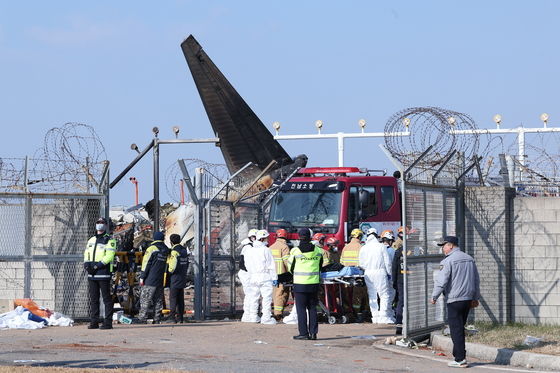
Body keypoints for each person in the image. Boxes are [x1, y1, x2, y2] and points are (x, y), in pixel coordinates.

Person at [431, 236, 480, 368]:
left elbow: (441, 282)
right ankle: (458, 354)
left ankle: (460, 359)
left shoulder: (448, 261)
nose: (443, 249)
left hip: (454, 299)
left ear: (451, 245)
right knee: (459, 327)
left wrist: (434, 296)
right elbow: (476, 279)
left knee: (456, 330)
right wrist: (475, 297)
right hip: (468, 299)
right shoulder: (469, 259)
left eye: (444, 246)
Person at [288, 228, 323, 340]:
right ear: (310, 237)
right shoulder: (318, 250)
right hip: (314, 283)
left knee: (301, 309)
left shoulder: (295, 251)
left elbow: (290, 267)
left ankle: (303, 333)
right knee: (312, 308)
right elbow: (320, 265)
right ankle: (313, 333)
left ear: (299, 237)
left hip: (300, 284)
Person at [83, 217, 117, 329]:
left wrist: (98, 266)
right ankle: (94, 322)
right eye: (98, 222)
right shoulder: (91, 240)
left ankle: (107, 323)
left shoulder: (110, 240)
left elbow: (109, 256)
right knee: (94, 299)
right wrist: (87, 265)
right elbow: (86, 253)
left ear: (106, 225)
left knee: (106, 299)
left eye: (102, 222)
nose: (100, 224)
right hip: (92, 275)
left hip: (103, 273)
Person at [359, 227, 395, 324]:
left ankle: (375, 317)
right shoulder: (381, 247)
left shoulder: (363, 248)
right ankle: (383, 317)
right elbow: (387, 262)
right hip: (380, 272)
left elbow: (361, 264)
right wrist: (389, 274)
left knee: (372, 295)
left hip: (368, 273)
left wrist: (368, 268)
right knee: (384, 295)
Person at [244, 229, 277, 324]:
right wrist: (274, 278)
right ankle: (266, 318)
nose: (267, 240)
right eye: (266, 238)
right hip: (264, 277)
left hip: (253, 277)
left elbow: (247, 265)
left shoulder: (250, 251)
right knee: (266, 298)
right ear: (262, 239)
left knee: (254, 297)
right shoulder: (266, 250)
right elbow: (271, 265)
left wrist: (251, 275)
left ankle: (253, 317)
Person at [137, 231, 170, 324]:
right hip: (160, 278)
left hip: (150, 278)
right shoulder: (166, 249)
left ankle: (142, 318)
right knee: (158, 299)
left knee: (145, 299)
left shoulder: (152, 248)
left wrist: (142, 276)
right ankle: (157, 318)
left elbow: (146, 263)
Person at [340, 229, 367, 317]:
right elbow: (363, 263)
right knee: (358, 295)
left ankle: (349, 311)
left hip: (346, 275)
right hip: (358, 275)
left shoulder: (345, 247)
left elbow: (341, 261)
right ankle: (358, 313)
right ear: (359, 236)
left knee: (347, 294)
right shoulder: (361, 247)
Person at [166, 234, 189, 323]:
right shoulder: (184, 250)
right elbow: (186, 263)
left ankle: (172, 317)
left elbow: (172, 266)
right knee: (180, 298)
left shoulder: (174, 251)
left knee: (173, 298)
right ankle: (180, 318)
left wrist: (168, 272)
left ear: (171, 242)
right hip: (182, 276)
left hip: (175, 277)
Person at [269, 229, 292, 320]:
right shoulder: (284, 247)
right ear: (285, 236)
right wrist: (292, 272)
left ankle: (277, 312)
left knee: (276, 293)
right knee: (282, 294)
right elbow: (287, 262)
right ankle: (278, 314)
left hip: (273, 274)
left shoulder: (271, 247)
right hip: (282, 274)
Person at [239, 229, 258, 322]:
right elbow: (247, 264)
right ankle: (249, 315)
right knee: (251, 294)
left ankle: (247, 315)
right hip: (246, 273)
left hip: (246, 273)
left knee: (250, 294)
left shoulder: (249, 246)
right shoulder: (248, 248)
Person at [391, 241, 405, 335]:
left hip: (401, 280)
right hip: (413, 280)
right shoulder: (417, 250)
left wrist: (394, 282)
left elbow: (394, 268)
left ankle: (399, 325)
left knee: (401, 302)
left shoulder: (399, 251)